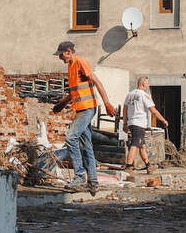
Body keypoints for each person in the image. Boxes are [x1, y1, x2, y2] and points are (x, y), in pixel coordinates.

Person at [51, 41, 117, 192]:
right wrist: (62, 103)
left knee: (71, 138)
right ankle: (93, 181)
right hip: (81, 109)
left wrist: (107, 103)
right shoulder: (71, 66)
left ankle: (80, 176)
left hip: (87, 108)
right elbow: (75, 91)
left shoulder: (80, 62)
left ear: (68, 52)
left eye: (61, 54)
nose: (60, 58)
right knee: (86, 145)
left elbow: (97, 82)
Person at [122, 76, 168, 172]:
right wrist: (163, 120)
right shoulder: (144, 95)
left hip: (131, 123)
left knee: (142, 145)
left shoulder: (129, 94)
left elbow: (125, 109)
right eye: (147, 83)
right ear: (143, 83)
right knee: (135, 144)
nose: (148, 85)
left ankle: (148, 165)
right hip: (139, 123)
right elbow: (153, 111)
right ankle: (129, 166)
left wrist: (125, 123)